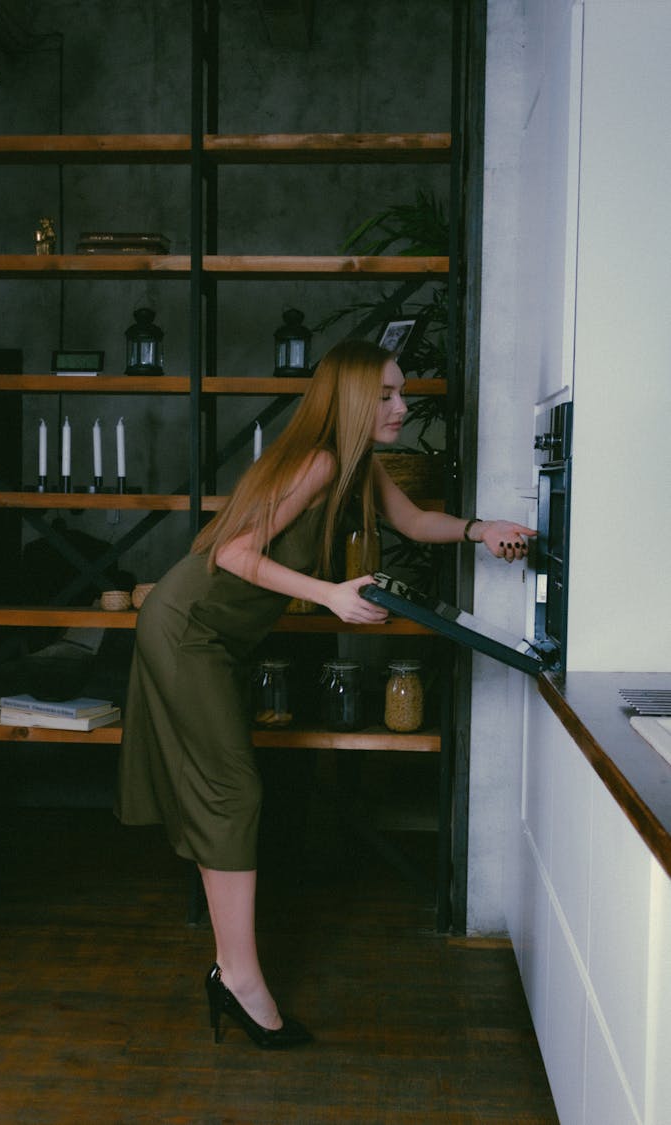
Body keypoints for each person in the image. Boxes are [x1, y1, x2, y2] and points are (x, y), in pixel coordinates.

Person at [115, 339, 534, 1049]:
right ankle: (240, 980)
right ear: (351, 400)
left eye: (401, 393)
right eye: (388, 395)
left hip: (212, 636)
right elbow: (231, 555)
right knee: (234, 792)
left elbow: (412, 523)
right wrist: (330, 596)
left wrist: (479, 528)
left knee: (228, 791)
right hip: (189, 629)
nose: (402, 406)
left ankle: (230, 971)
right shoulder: (319, 462)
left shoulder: (357, 465)